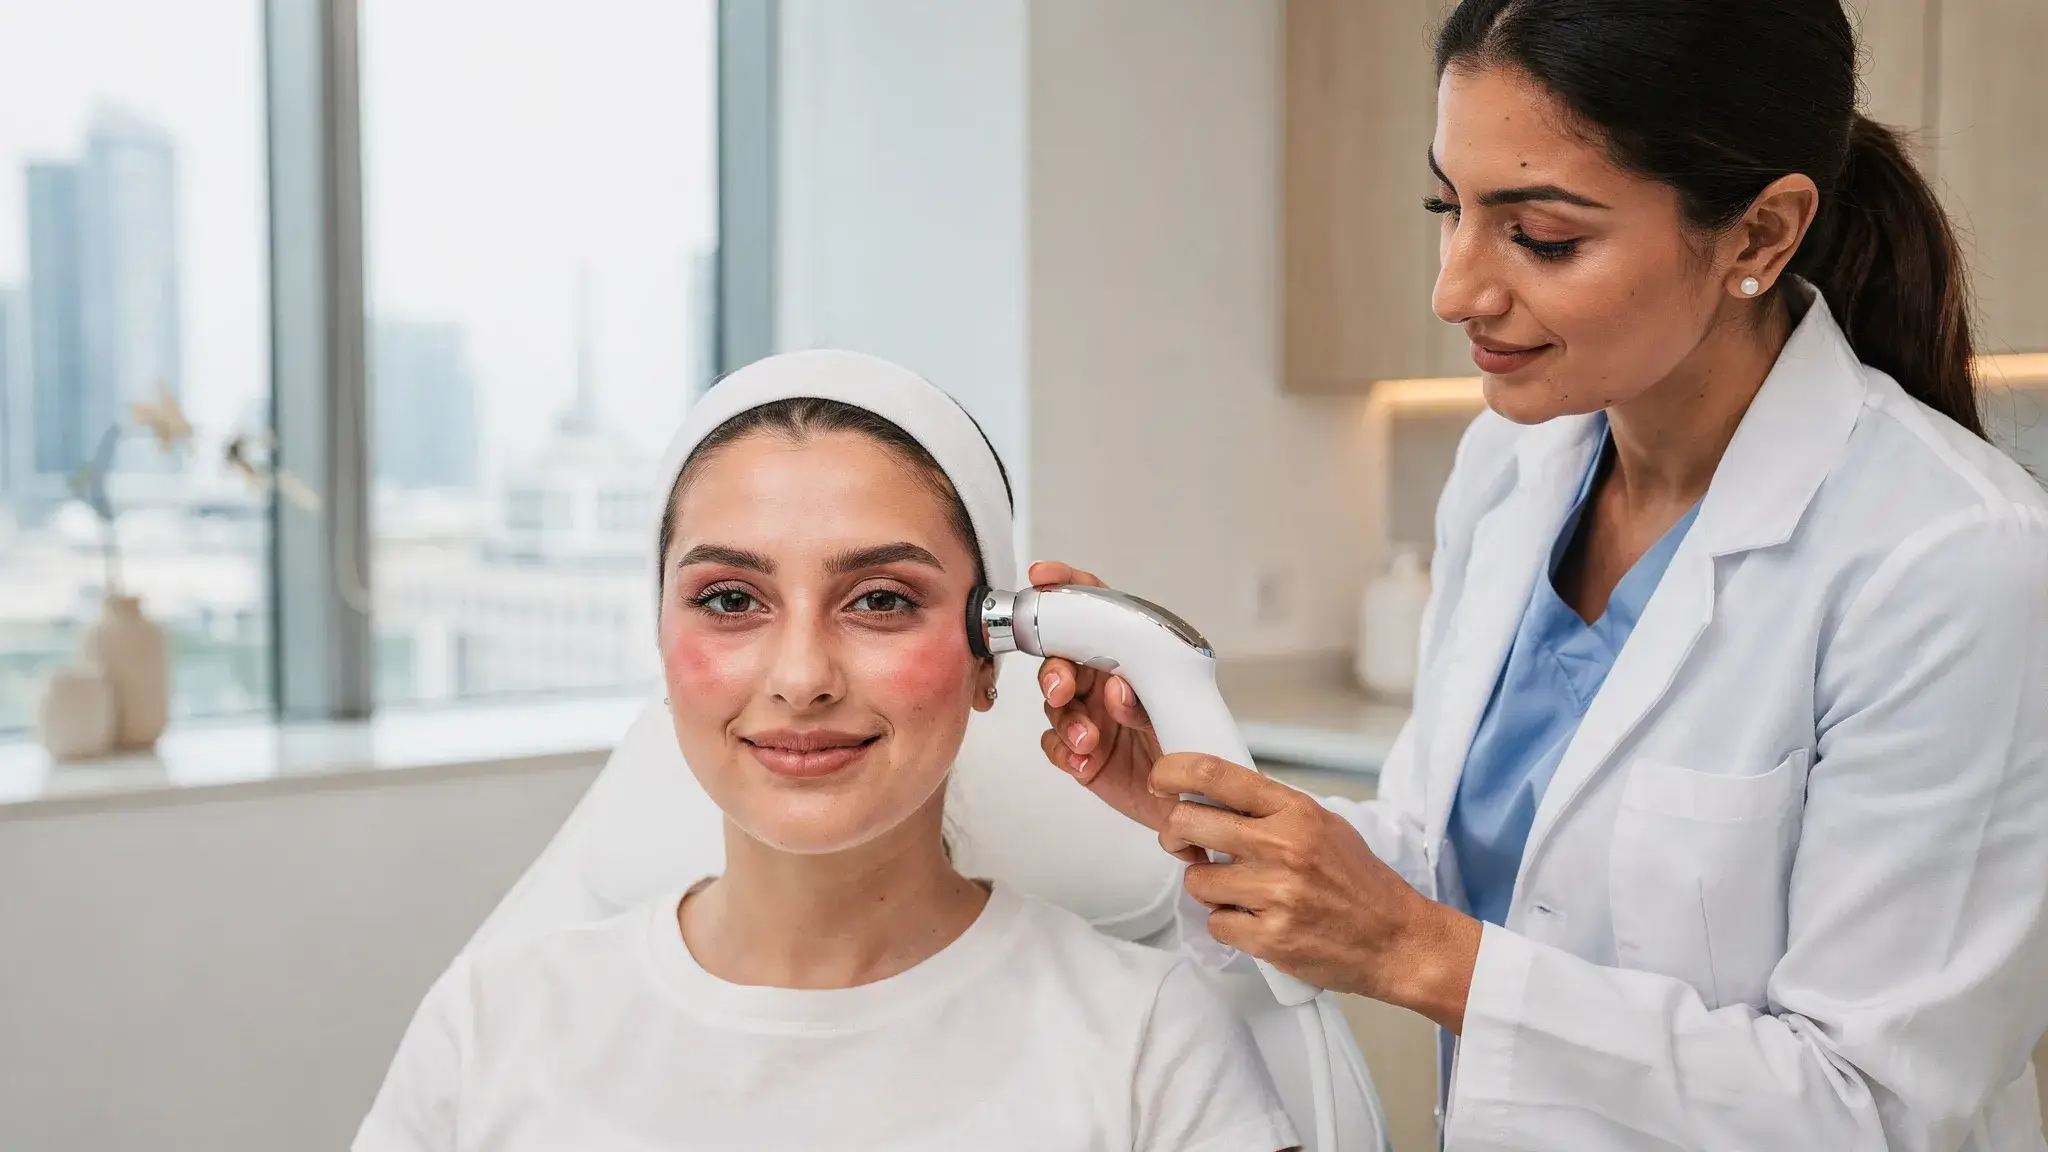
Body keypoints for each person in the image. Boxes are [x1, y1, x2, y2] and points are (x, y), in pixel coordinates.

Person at [1036, 1, 2048, 1147]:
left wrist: (1410, 952)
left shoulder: (1948, 559)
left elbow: (1876, 1107)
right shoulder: (1509, 467)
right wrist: (1212, 807)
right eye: (1447, 209)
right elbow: (1454, 858)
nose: (1453, 290)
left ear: (1758, 237)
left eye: (1540, 237)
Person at [355, 351, 1299, 1152]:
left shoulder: (1151, 1044)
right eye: (731, 600)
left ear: (989, 657)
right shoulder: (490, 1031)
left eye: (880, 600)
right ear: (661, 643)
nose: (802, 676)